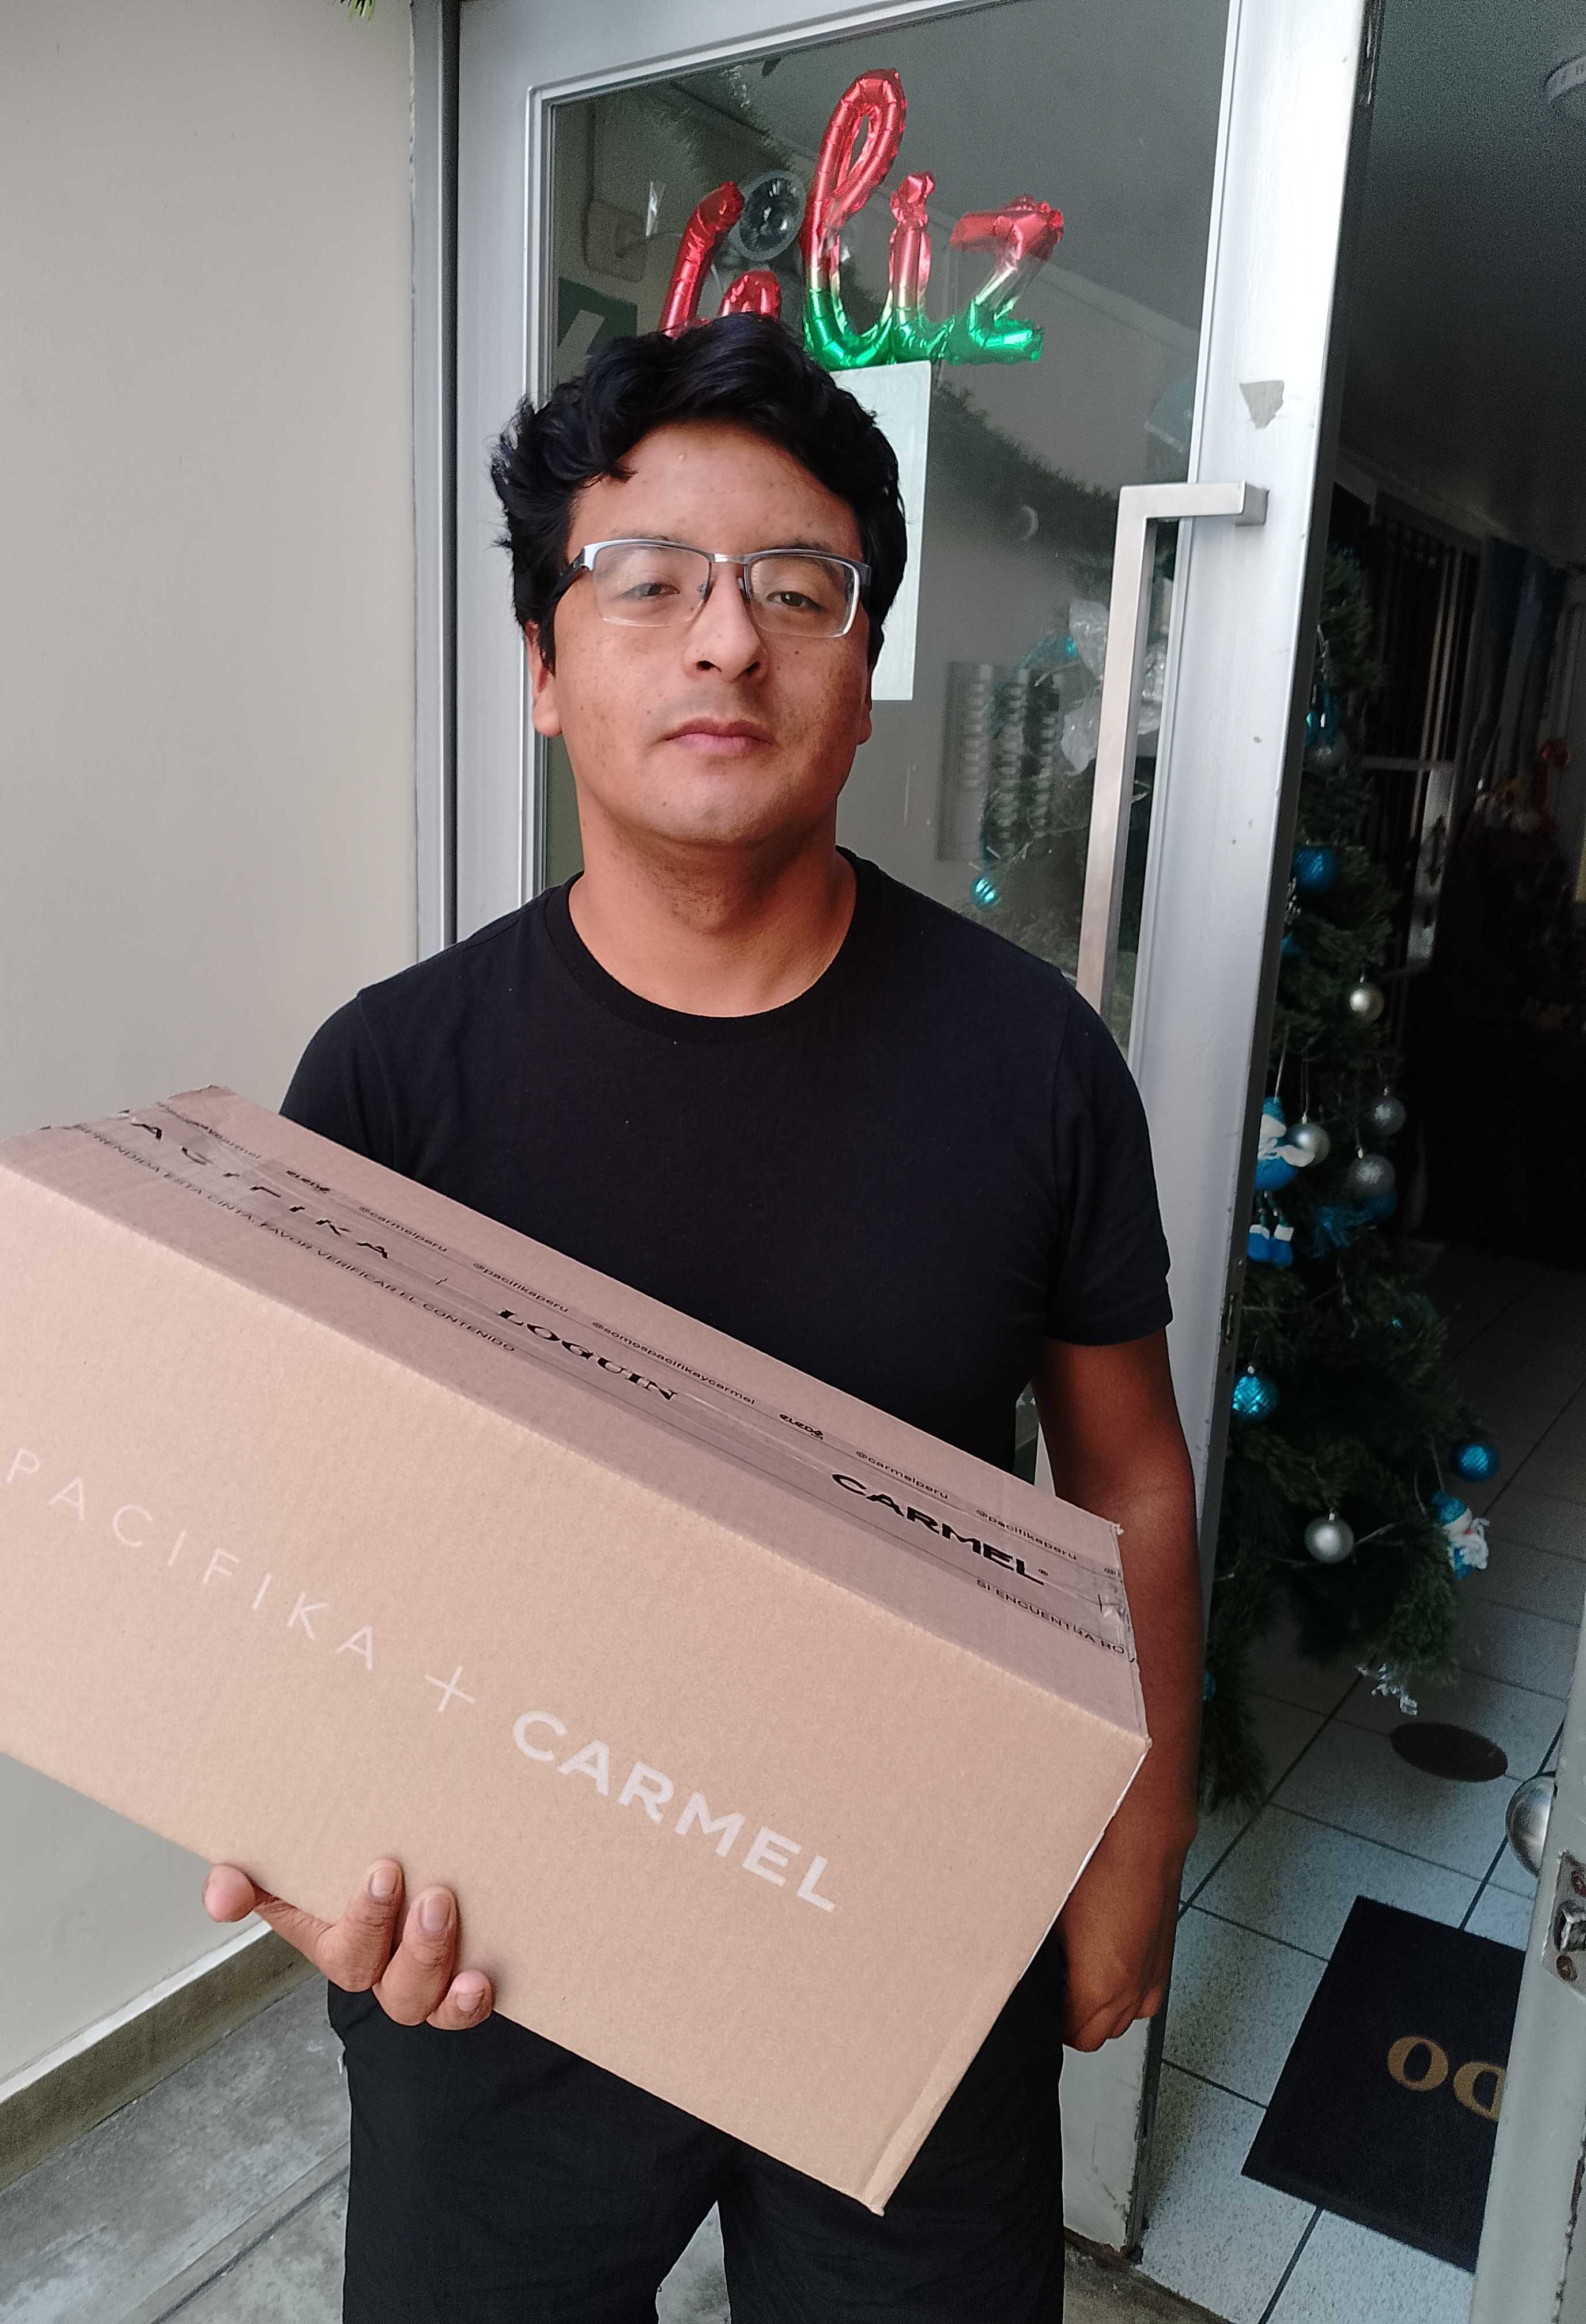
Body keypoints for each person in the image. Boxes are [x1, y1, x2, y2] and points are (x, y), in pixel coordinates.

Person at [202, 314, 1203, 2323]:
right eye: (647, 581)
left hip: (910, 1926)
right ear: (545, 670)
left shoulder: (1032, 1067)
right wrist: (303, 1842)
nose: (727, 640)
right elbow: (288, 1534)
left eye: (796, 588)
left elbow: (1129, 1483)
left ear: (863, 669)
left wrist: (1133, 1850)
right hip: (500, 1947)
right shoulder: (390, 1085)